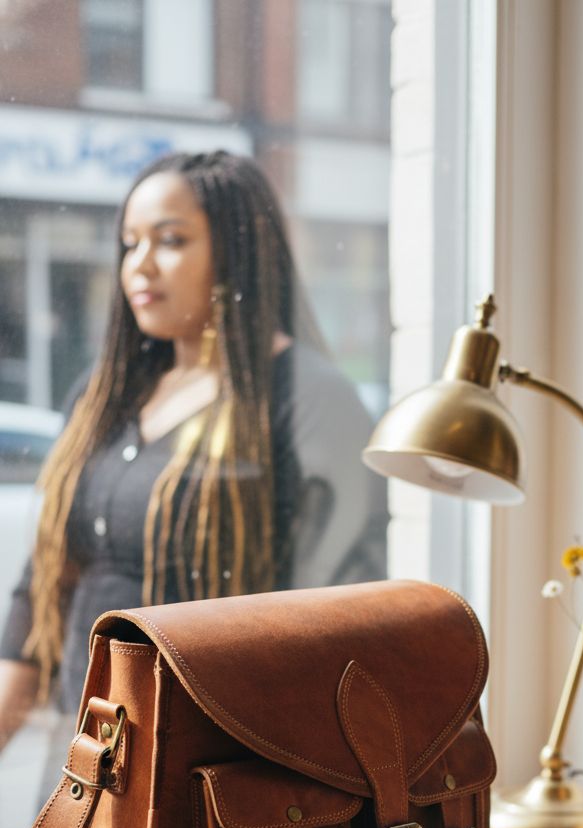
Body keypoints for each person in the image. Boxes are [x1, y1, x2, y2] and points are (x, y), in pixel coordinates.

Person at [0, 149, 388, 761]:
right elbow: (43, 589)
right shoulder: (104, 394)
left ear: (237, 253)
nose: (139, 265)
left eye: (171, 240)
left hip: (211, 771)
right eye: (130, 243)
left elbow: (331, 622)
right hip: (87, 761)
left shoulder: (306, 398)